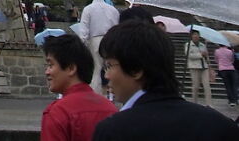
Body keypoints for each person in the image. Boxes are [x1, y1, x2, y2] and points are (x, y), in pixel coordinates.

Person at [92, 21, 238, 140]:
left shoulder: (114, 130)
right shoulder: (221, 126)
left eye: (109, 65)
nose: (106, 75)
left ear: (136, 70)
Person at [41, 34, 117, 141]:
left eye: (50, 65)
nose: (47, 72)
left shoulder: (57, 112)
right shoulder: (110, 109)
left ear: (71, 68)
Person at [79, 0, 119, 95]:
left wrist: (82, 44)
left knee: (96, 69)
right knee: (111, 67)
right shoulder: (113, 10)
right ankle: (112, 93)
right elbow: (117, 27)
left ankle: (96, 95)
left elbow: (84, 30)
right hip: (111, 40)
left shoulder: (88, 9)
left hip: (95, 40)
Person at [185, 30, 212, 107]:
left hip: (204, 67)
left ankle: (209, 104)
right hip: (194, 67)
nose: (196, 36)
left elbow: (206, 56)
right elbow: (189, 55)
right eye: (194, 34)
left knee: (207, 86)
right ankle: (194, 102)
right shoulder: (188, 45)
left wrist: (208, 63)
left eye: (197, 34)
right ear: (191, 36)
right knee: (196, 86)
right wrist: (200, 54)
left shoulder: (202, 45)